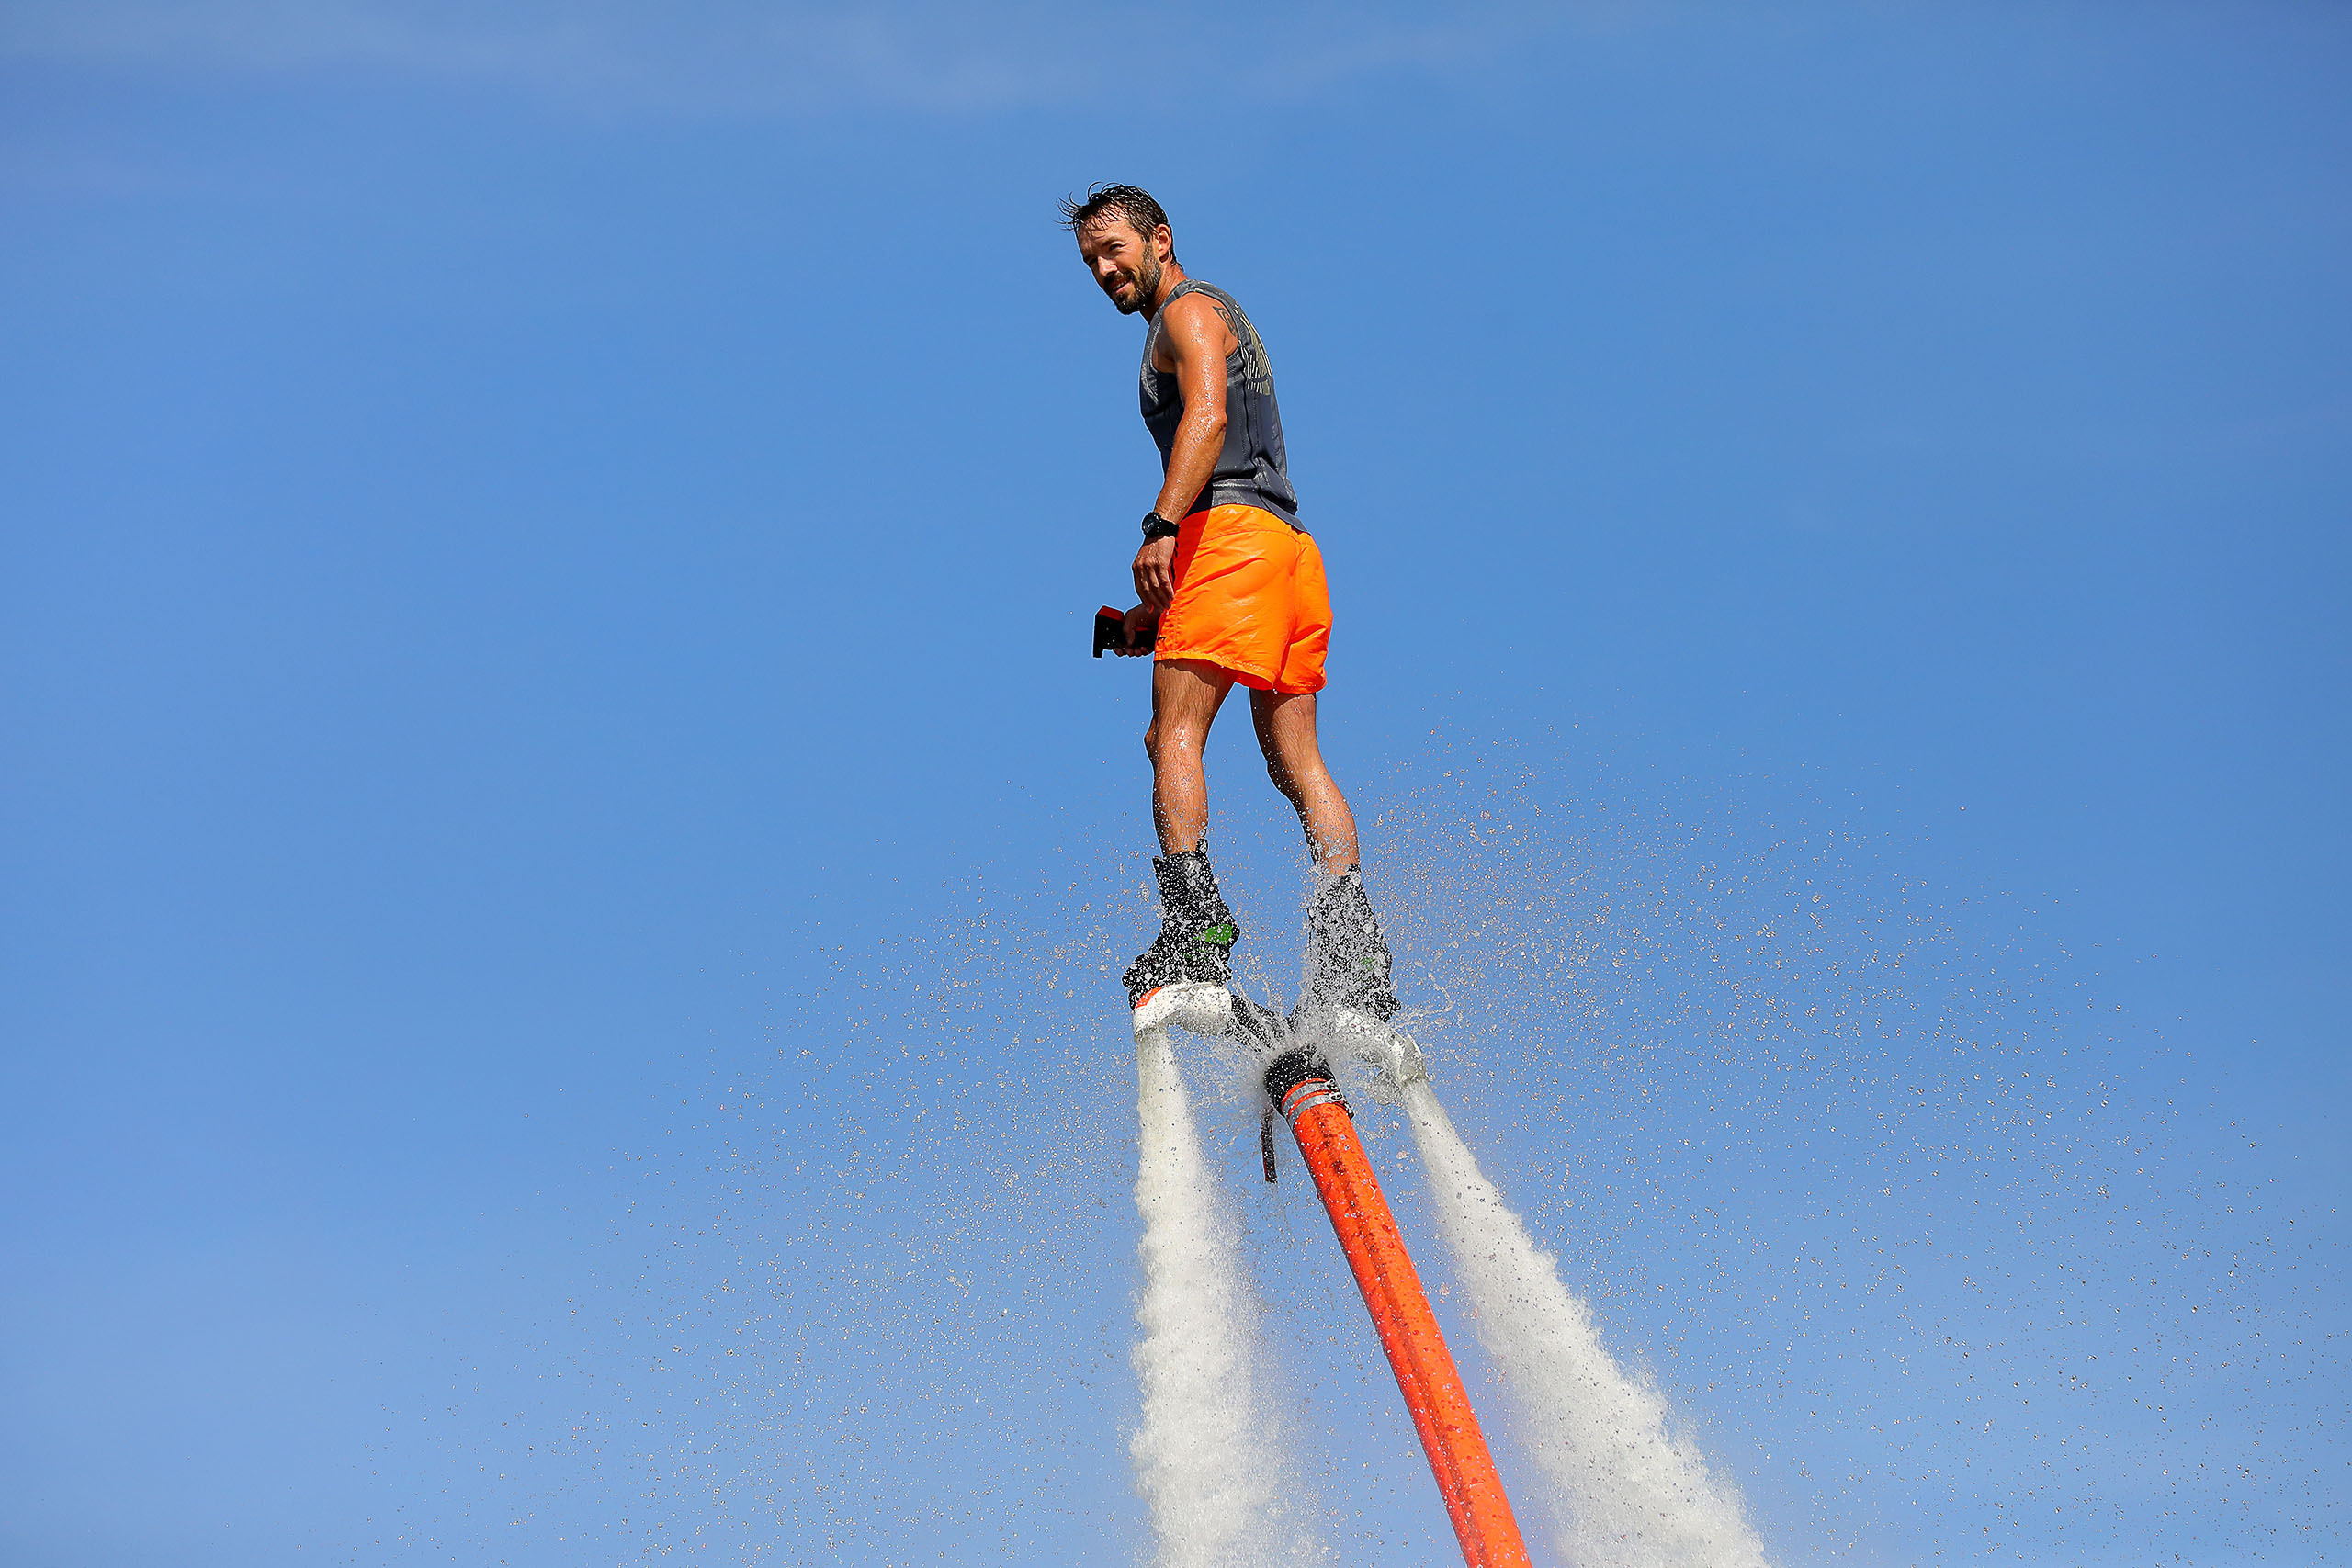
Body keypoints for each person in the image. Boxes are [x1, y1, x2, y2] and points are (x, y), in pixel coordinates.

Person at [1063, 184, 1399, 1020]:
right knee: (1296, 764)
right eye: (1091, 261)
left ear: (1160, 239)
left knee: (1169, 732)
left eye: (1115, 250)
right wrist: (1162, 602)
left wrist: (1162, 526)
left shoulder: (1188, 314)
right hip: (1288, 552)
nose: (1105, 270)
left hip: (1233, 536)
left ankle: (1195, 927)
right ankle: (1355, 954)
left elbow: (1207, 420)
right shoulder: (1214, 313)